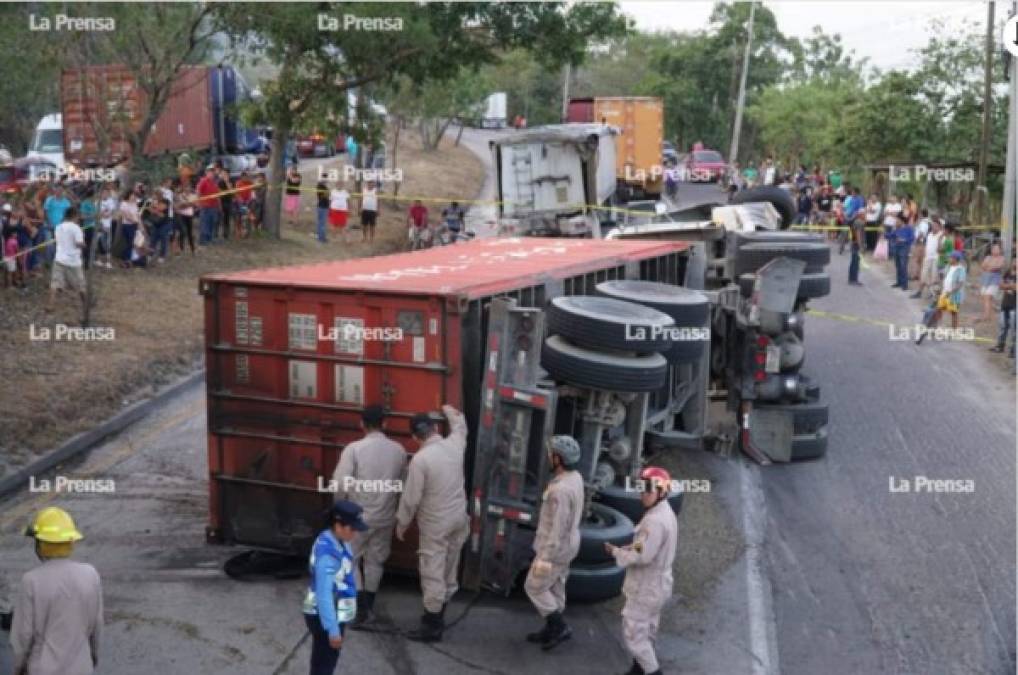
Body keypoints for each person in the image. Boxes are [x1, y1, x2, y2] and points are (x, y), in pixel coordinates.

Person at [395, 405, 470, 643]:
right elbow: (460, 424)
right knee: (449, 568)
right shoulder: (455, 445)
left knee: (432, 573)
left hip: (436, 524)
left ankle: (431, 626)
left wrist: (402, 524)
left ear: (415, 437)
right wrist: (449, 410)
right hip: (459, 519)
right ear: (436, 428)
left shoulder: (421, 460)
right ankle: (440, 615)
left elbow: (411, 499)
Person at [332, 405, 407, 628]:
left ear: (361, 424)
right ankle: (368, 606)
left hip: (358, 517)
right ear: (385, 423)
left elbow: (340, 483)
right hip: (385, 516)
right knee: (376, 561)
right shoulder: (399, 450)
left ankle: (360, 608)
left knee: (351, 559)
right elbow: (402, 485)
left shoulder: (354, 449)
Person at [11, 507, 102, 675]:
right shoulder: (90, 574)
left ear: (40, 544)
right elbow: (96, 627)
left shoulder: (31, 581)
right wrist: (92, 657)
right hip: (81, 668)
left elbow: (23, 638)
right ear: (70, 541)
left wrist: (18, 669)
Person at [605, 467, 678, 675]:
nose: (643, 494)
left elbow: (642, 555)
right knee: (648, 630)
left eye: (648, 489)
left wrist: (617, 553)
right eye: (642, 488)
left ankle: (652, 671)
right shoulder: (666, 513)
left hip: (647, 586)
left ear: (662, 492)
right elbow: (644, 547)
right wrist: (626, 549)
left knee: (634, 634)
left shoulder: (654, 521)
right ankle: (639, 669)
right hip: (659, 584)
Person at [523, 435, 584, 651]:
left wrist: (544, 558)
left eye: (551, 454)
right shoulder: (575, 478)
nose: (548, 457)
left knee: (534, 587)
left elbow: (557, 529)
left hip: (555, 549)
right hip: (569, 545)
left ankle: (559, 627)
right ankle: (550, 630)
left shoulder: (560, 490)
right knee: (556, 586)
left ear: (558, 459)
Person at [302, 500, 365, 675]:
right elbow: (324, 596)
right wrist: (333, 630)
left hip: (328, 612)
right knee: (325, 665)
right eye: (351, 528)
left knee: (320, 660)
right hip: (326, 615)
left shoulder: (333, 538)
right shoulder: (328, 557)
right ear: (338, 525)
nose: (355, 532)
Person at [918, 251, 967, 344]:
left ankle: (954, 331)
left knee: (954, 313)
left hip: (954, 295)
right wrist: (937, 285)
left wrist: (951, 292)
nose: (949, 259)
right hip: (945, 293)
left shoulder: (961, 269)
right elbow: (944, 278)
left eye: (950, 258)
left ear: (956, 259)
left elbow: (960, 283)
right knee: (938, 311)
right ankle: (934, 329)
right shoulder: (948, 267)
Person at [45, 206, 86, 312]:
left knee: (55, 283)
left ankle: (50, 304)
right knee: (80, 284)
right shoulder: (76, 228)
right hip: (73, 261)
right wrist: (84, 245)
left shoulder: (58, 227)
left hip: (59, 258)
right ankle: (86, 303)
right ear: (74, 216)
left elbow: (58, 241)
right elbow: (78, 243)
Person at [912, 217, 944, 299]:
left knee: (934, 277)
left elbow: (940, 249)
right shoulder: (929, 235)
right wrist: (924, 255)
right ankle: (920, 292)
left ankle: (934, 294)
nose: (934, 227)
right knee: (923, 275)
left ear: (940, 227)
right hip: (928, 258)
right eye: (933, 225)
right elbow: (927, 246)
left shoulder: (941, 236)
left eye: (936, 226)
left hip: (936, 258)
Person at [991, 259, 1017, 357]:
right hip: (1005, 304)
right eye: (1014, 261)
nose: (1015, 263)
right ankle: (1000, 346)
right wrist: (1010, 286)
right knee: (1002, 326)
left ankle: (1013, 350)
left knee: (1013, 329)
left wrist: (1007, 286)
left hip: (1014, 305)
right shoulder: (1008, 273)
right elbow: (1000, 285)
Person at [978, 242, 1005, 323]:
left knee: (988, 296)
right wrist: (990, 266)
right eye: (993, 248)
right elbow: (983, 266)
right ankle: (989, 315)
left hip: (994, 280)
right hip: (985, 279)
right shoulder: (988, 257)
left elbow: (998, 267)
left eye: (997, 249)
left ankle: (986, 316)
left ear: (1000, 250)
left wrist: (989, 266)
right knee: (985, 297)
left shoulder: (1001, 258)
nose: (995, 250)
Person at [196, 166, 220, 246]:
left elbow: (217, 194)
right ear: (206, 173)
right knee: (204, 223)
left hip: (214, 206)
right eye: (210, 172)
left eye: (212, 172)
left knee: (212, 222)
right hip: (205, 206)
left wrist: (218, 205)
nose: (212, 173)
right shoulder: (203, 181)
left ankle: (210, 238)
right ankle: (203, 240)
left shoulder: (214, 182)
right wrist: (200, 202)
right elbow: (198, 191)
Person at [889, 214, 914, 291]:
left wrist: (903, 240)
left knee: (903, 266)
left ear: (901, 221)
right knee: (898, 265)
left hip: (904, 248)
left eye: (897, 221)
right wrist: (884, 234)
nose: (896, 222)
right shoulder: (896, 229)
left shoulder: (908, 229)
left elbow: (912, 238)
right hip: (896, 248)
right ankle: (899, 282)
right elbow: (891, 235)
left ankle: (904, 284)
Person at [174, 180, 196, 255]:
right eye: (186, 187)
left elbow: (194, 204)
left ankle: (192, 248)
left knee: (190, 232)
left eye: (189, 187)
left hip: (189, 215)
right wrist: (187, 204)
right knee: (182, 232)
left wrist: (186, 204)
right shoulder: (180, 196)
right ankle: (181, 247)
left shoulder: (193, 195)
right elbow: (179, 206)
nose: (187, 189)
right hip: (182, 215)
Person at [215, 162, 234, 240]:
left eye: (225, 173)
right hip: (220, 202)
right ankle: (215, 234)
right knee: (218, 219)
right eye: (223, 173)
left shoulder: (231, 181)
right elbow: (217, 192)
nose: (223, 175)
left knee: (226, 219)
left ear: (228, 174)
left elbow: (232, 191)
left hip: (228, 202)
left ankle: (226, 234)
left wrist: (227, 181)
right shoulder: (219, 181)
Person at [234, 171, 254, 237]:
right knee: (239, 215)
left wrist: (248, 200)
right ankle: (238, 230)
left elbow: (251, 193)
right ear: (241, 177)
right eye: (244, 176)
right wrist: (241, 200)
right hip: (239, 202)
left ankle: (245, 231)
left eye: (246, 176)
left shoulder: (250, 183)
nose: (245, 178)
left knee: (245, 217)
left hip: (248, 202)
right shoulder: (238, 183)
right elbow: (237, 194)